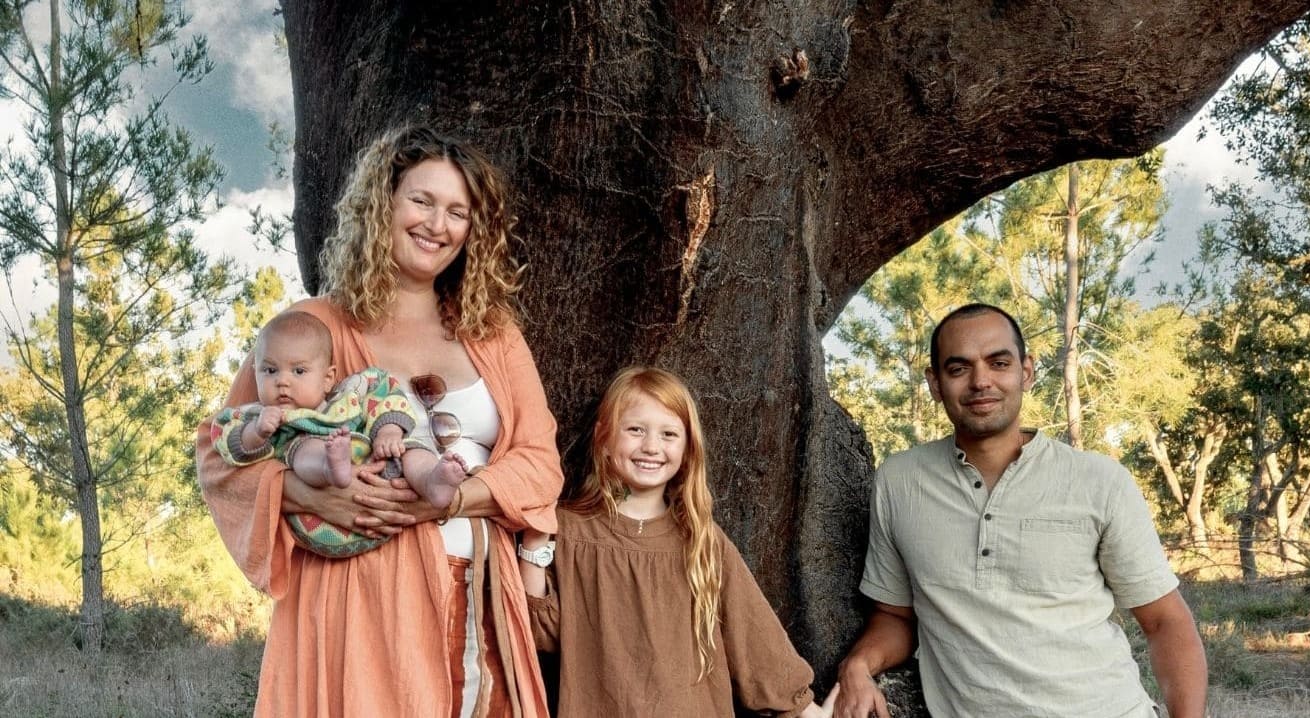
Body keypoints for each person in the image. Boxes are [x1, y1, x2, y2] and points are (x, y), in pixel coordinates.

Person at [196, 124, 563, 717]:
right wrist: (306, 495)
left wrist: (451, 498)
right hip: (354, 604)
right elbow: (220, 452)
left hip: (480, 596)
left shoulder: (494, 335)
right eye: (421, 200)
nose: (436, 225)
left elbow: (540, 464)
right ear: (382, 205)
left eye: (457, 212)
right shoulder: (313, 328)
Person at [834, 304, 1207, 718]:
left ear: (1026, 371)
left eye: (998, 363)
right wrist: (858, 664)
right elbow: (895, 616)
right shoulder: (900, 481)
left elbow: (1165, 622)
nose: (981, 381)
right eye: (958, 369)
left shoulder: (1099, 481)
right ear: (935, 383)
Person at [517, 367, 838, 717]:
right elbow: (541, 634)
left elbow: (755, 638)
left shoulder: (701, 539)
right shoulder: (571, 530)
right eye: (635, 430)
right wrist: (534, 541)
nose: (651, 446)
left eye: (669, 434)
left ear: (687, 449)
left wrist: (808, 711)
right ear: (604, 439)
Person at [210, 310, 470, 508]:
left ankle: (432, 481)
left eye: (299, 371)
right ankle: (329, 465)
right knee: (303, 452)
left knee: (412, 450)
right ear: (255, 374)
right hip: (324, 480)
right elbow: (227, 443)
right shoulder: (263, 416)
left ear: (327, 378)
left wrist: (388, 432)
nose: (282, 381)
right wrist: (257, 432)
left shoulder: (350, 395)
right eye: (270, 370)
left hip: (380, 461)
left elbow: (385, 392)